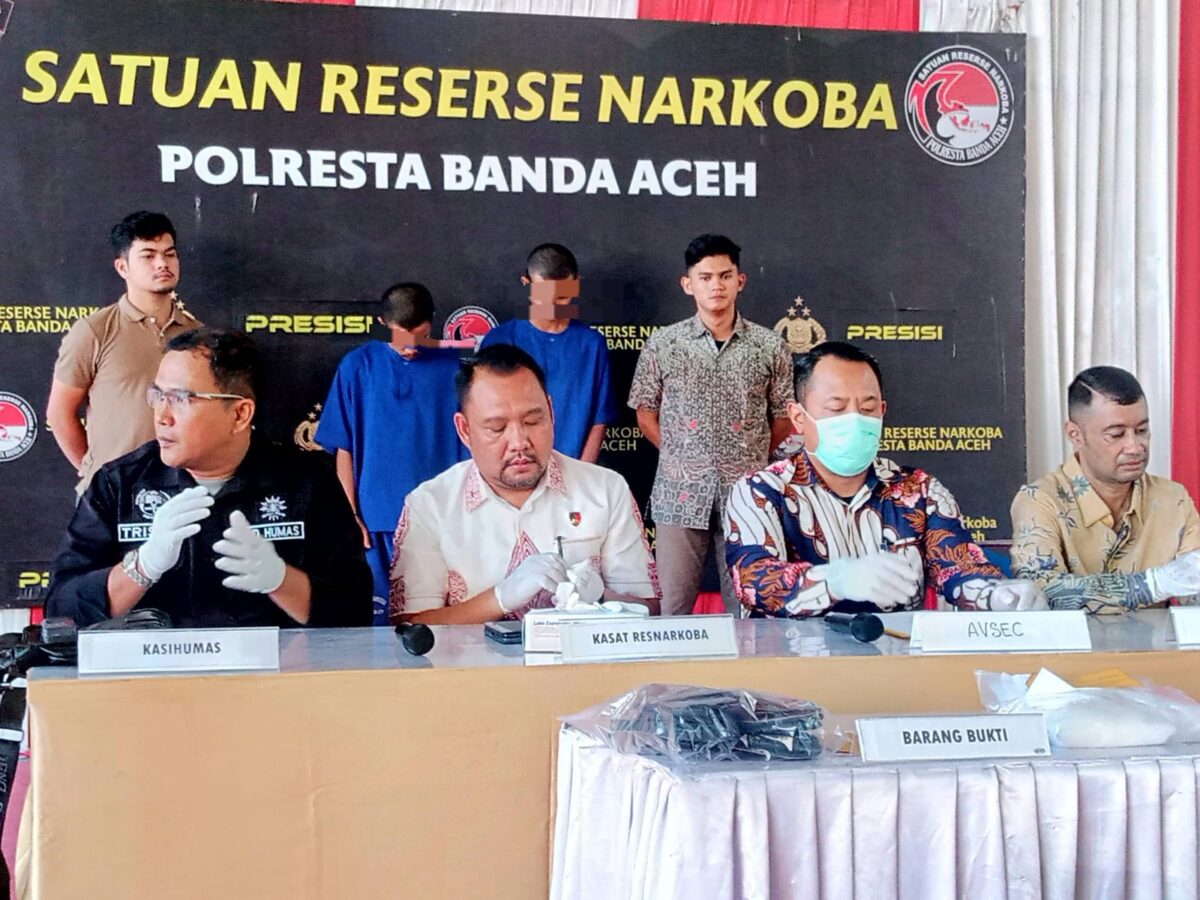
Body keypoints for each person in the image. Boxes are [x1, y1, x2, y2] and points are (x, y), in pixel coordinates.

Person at [46, 328, 372, 628]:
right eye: (158, 395)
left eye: (180, 399)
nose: (162, 416)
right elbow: (61, 612)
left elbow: (356, 612)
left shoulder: (307, 483)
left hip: (276, 671)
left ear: (240, 414)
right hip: (153, 672)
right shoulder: (120, 484)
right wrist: (142, 567)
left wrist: (281, 581)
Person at [725, 341, 1046, 616]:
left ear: (882, 411)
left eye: (867, 409)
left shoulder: (919, 492)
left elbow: (959, 566)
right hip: (792, 663)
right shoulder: (761, 491)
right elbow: (754, 581)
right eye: (836, 409)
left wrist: (996, 595)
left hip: (896, 660)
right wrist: (835, 580)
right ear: (798, 417)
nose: (854, 420)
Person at [389, 344, 658, 625]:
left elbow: (649, 609)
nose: (519, 442)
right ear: (465, 430)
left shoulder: (605, 490)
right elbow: (409, 626)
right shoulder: (430, 505)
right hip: (472, 656)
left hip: (579, 654)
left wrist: (601, 598)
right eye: (497, 428)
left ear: (551, 412)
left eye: (532, 421)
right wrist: (499, 598)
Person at [628, 234, 793, 615]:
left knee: (750, 608)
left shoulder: (770, 346)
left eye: (724, 275)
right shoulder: (663, 344)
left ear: (740, 280)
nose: (716, 285)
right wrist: (681, 453)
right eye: (705, 277)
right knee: (672, 609)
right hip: (679, 493)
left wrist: (751, 456)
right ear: (688, 284)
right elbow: (645, 412)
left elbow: (784, 416)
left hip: (747, 495)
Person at [315, 282, 466, 623]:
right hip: (376, 521)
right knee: (378, 626)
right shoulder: (357, 366)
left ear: (432, 323)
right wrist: (351, 516)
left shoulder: (455, 368)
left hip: (440, 522)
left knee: (437, 623)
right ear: (383, 324)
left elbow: (471, 448)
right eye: (401, 338)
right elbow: (343, 448)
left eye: (421, 336)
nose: (411, 347)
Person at [1011, 366, 1200, 613]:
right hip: (1071, 639)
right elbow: (1039, 591)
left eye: (1141, 431)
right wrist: (1152, 585)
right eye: (1116, 434)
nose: (1135, 447)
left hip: (1157, 640)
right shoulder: (1040, 500)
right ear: (1075, 435)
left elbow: (1193, 586)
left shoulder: (1172, 499)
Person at [46, 211, 201, 497]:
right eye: (148, 255)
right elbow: (59, 413)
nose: (162, 263)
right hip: (112, 496)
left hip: (182, 493)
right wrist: (97, 476)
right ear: (122, 267)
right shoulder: (94, 331)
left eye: (169, 254)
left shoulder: (198, 335)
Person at [479, 243, 617, 463]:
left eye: (562, 298)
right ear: (526, 284)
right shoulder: (499, 340)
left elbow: (599, 419)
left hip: (574, 471)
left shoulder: (591, 344)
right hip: (514, 467)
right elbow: (485, 416)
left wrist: (582, 473)